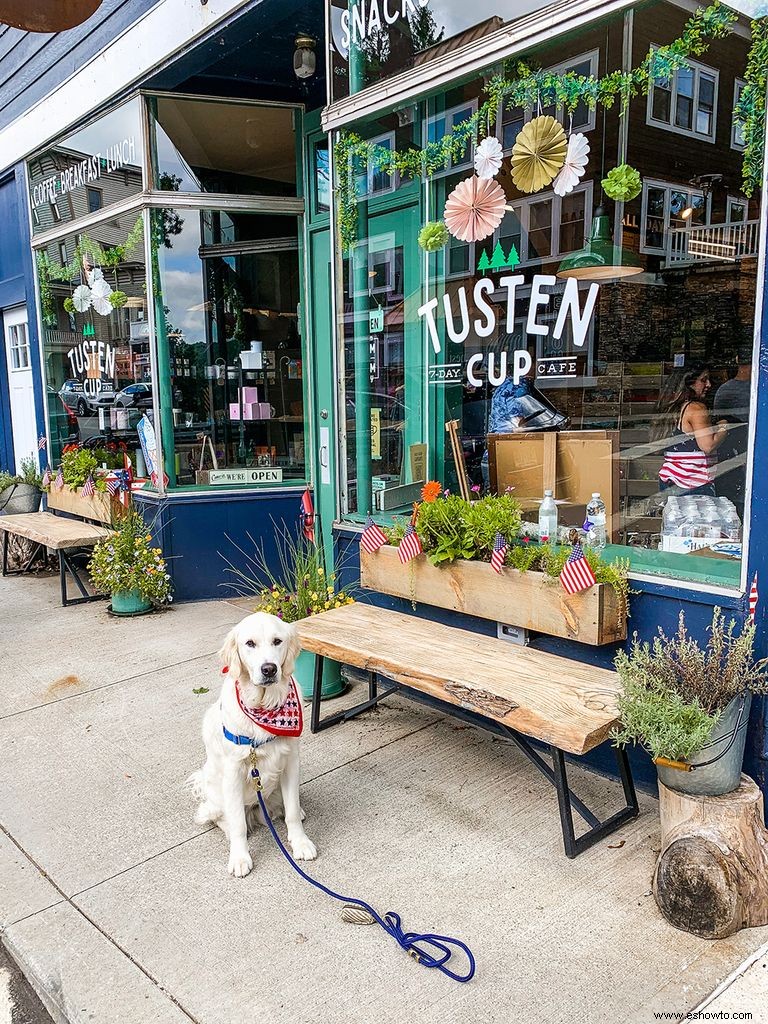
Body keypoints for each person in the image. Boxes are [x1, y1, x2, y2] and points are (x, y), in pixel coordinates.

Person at [652, 364, 728, 496]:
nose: (709, 384)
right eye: (703, 380)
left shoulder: (673, 408)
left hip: (671, 479)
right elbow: (708, 445)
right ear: (689, 383)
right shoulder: (696, 408)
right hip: (694, 484)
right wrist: (724, 426)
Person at [713, 346, 752, 517]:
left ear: (737, 360)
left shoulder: (724, 390)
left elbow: (721, 423)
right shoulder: (758, 391)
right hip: (738, 451)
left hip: (730, 452)